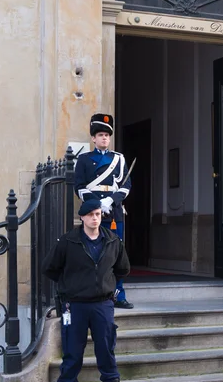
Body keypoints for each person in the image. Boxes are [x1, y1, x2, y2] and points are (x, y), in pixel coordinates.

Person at [42, 199, 130, 382]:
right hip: (75, 305)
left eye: (97, 214)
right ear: (82, 217)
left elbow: (123, 269)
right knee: (72, 351)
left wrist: (108, 283)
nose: (95, 218)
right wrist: (70, 283)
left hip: (102, 304)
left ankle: (111, 379)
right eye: (90, 215)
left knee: (106, 349)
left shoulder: (112, 241)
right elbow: (49, 267)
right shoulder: (68, 241)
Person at [74, 113, 134, 309]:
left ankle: (117, 294)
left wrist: (111, 200)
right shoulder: (83, 160)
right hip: (93, 213)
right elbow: (79, 187)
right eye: (100, 135)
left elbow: (126, 186)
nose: (104, 138)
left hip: (114, 213)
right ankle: (94, 292)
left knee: (116, 253)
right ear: (93, 138)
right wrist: (96, 204)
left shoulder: (119, 159)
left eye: (107, 135)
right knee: (92, 253)